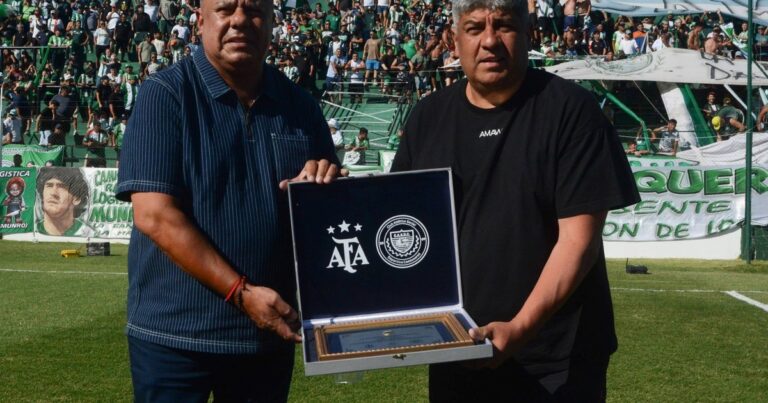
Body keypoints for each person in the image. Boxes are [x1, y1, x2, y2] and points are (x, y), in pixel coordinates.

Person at [391, 0, 640, 400]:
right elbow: (400, 227)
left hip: (557, 363)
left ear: (529, 34)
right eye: (474, 29)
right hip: (459, 351)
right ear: (453, 41)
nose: (490, 40)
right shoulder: (427, 117)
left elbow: (578, 240)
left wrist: (520, 328)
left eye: (503, 26)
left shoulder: (572, 111)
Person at [114, 0, 342, 400]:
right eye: (226, 9)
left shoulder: (301, 107)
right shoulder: (165, 94)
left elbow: (331, 209)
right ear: (201, 21)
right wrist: (242, 293)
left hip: (267, 336)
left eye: (254, 11)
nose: (240, 20)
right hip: (174, 338)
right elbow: (154, 216)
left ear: (272, 24)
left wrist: (326, 183)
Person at [35, 168, 93, 236]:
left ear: (76, 198)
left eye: (61, 187)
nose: (53, 193)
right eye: (49, 186)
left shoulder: (90, 234)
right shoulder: (31, 230)